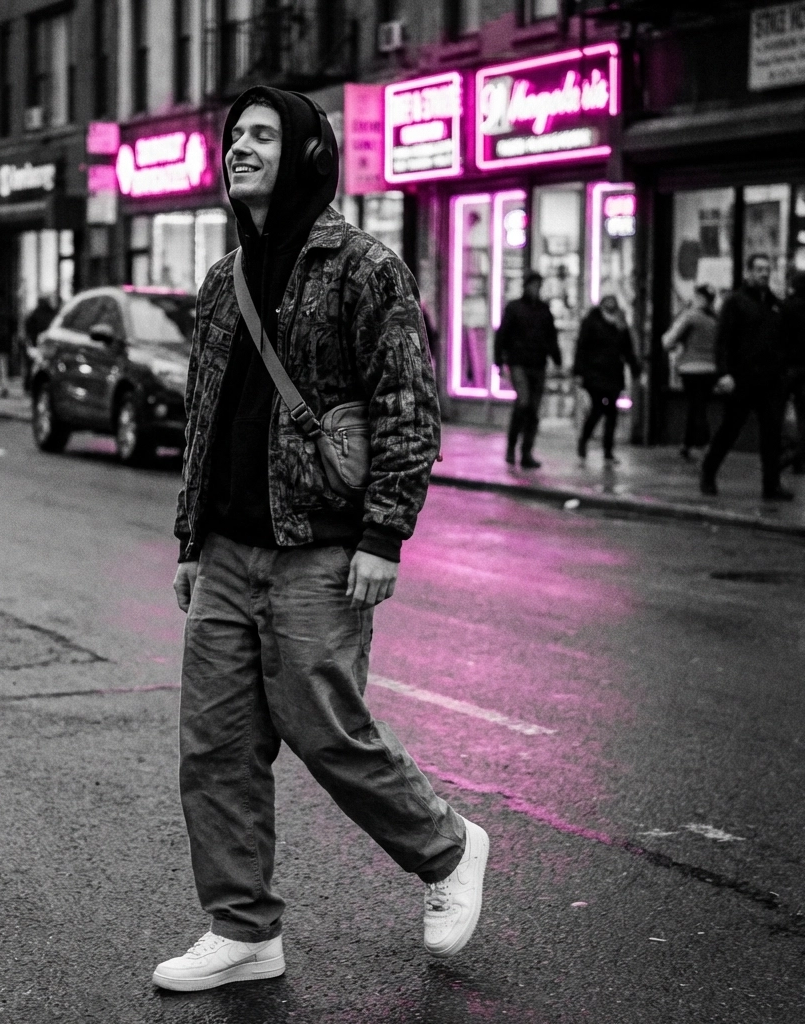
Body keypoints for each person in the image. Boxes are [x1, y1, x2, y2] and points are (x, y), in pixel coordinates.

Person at [158, 87, 487, 993]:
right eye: (235, 136)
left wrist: (383, 538)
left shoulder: (365, 269)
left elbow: (406, 411)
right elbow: (206, 420)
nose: (240, 147)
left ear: (305, 154)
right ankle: (242, 928)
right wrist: (191, 537)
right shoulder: (223, 282)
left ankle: (450, 849)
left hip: (320, 550)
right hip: (227, 552)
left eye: (262, 135)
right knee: (215, 745)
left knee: (326, 728)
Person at [700, 254, 792, 500]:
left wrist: (783, 372)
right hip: (742, 379)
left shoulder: (775, 304)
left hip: (771, 381)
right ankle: (708, 472)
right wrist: (724, 373)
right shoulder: (736, 302)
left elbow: (782, 341)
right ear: (748, 272)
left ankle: (771, 486)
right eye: (759, 269)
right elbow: (723, 341)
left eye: (767, 269)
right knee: (730, 429)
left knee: (771, 434)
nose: (764, 273)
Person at [493, 269, 561, 469]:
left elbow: (551, 336)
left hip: (538, 363)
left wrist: (557, 359)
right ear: (526, 286)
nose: (536, 289)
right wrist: (499, 361)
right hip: (519, 362)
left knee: (533, 409)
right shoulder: (514, 308)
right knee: (523, 402)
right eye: (533, 285)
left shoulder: (543, 310)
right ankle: (512, 446)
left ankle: (526, 451)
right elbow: (502, 335)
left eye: (538, 285)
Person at [573, 294, 641, 463]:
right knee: (598, 409)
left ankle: (608, 450)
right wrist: (579, 372)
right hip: (595, 373)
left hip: (613, 374)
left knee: (611, 412)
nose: (611, 304)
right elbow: (581, 347)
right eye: (608, 301)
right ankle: (584, 439)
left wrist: (635, 369)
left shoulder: (620, 324)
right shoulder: (591, 321)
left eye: (613, 301)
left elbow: (627, 349)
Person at [663, 284, 718, 460]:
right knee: (697, 406)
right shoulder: (715, 319)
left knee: (697, 407)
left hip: (691, 368)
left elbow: (668, 340)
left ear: (699, 298)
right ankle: (687, 444)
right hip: (711, 369)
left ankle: (705, 444)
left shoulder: (691, 317)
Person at [781, 271, 805, 475]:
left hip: (787, 366)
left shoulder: (786, 307)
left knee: (778, 411)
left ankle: (786, 454)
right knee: (803, 415)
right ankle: (799, 460)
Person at [23, 294, 56, 392]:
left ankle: (30, 385)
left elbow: (29, 328)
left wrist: (30, 341)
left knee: (33, 365)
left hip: (36, 343)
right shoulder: (52, 314)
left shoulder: (34, 314)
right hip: (48, 344)